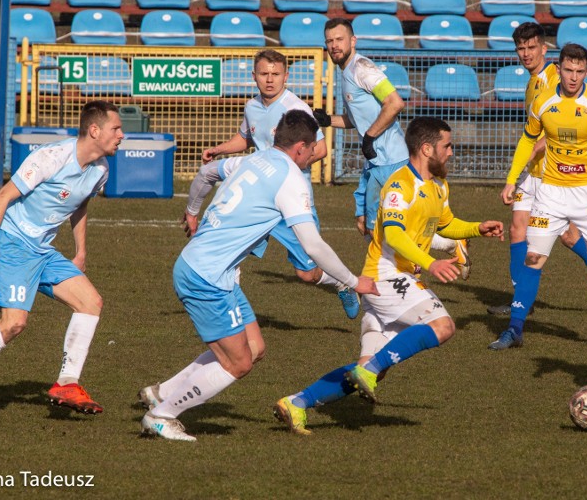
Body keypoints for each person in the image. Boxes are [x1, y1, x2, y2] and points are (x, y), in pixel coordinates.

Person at [138, 110, 378, 441]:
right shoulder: (291, 178)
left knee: (254, 347)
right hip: (206, 277)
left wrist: (193, 211)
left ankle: (162, 393)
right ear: (300, 148)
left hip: (212, 271)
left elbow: (208, 171)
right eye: (313, 150)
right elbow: (313, 245)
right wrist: (353, 281)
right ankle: (162, 415)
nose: (314, 156)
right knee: (238, 363)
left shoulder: (253, 159)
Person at [273, 116, 504, 435]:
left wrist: (477, 229)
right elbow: (393, 235)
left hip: (391, 282)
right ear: (426, 149)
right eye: (447, 146)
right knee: (443, 326)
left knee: (368, 371)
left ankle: (295, 403)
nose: (452, 152)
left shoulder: (438, 185)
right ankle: (369, 371)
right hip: (386, 275)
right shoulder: (399, 186)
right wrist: (431, 262)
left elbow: (445, 224)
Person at [0, 100, 124, 422]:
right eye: (116, 129)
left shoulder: (100, 171)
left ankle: (67, 383)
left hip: (43, 250)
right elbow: (3, 196)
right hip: (12, 246)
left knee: (91, 302)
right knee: (14, 324)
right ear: (94, 130)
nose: (121, 136)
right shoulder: (51, 158)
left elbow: (78, 206)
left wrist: (80, 251)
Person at [189, 49, 360, 319]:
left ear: (286, 76)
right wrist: (220, 149)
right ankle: (228, 312)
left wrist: (285, 170)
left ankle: (341, 282)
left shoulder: (297, 109)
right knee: (232, 251)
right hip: (257, 197)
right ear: (254, 76)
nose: (270, 79)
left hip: (288, 198)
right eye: (264, 73)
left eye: (276, 74)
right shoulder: (252, 106)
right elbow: (245, 138)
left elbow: (322, 150)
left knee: (306, 272)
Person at [488, 23, 587, 350]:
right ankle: (515, 327)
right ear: (561, 68)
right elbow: (529, 136)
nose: (573, 76)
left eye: (579, 71)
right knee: (532, 254)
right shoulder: (542, 94)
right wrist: (512, 178)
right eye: (569, 70)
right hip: (549, 187)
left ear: (586, 72)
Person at [314, 17, 471, 279]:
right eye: (329, 41)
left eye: (339, 39)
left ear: (353, 41)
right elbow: (359, 120)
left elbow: (395, 103)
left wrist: (370, 137)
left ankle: (403, 271)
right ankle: (434, 252)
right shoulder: (345, 72)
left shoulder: (362, 67)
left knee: (386, 226)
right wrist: (328, 120)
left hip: (390, 162)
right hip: (375, 162)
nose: (334, 45)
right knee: (365, 223)